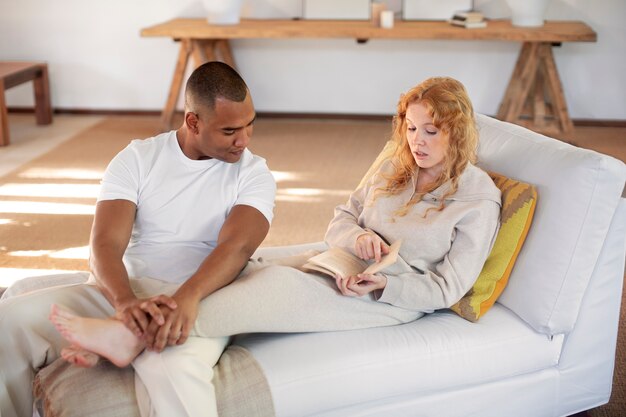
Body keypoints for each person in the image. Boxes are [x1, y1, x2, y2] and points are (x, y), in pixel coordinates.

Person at [48, 76, 502, 386]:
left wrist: (383, 282)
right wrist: (357, 239)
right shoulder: (394, 166)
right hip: (342, 262)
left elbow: (448, 288)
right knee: (253, 270)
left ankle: (127, 335)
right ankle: (131, 330)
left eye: (431, 132)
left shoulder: (477, 199)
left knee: (279, 283)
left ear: (457, 133)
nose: (417, 142)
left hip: (388, 297)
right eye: (411, 128)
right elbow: (340, 220)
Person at [0, 61, 276, 417]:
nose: (244, 140)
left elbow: (236, 248)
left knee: (170, 367)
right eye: (229, 130)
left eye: (250, 125)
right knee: (8, 319)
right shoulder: (137, 159)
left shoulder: (254, 174)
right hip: (123, 291)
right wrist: (125, 303)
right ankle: (119, 331)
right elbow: (104, 245)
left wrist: (186, 298)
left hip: (200, 296)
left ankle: (122, 338)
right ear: (193, 121)